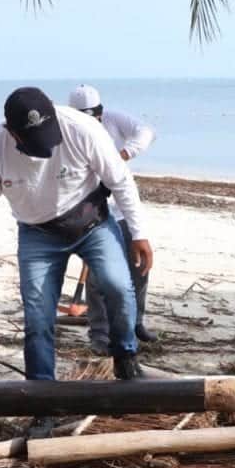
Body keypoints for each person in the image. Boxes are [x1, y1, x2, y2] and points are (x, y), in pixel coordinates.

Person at [0, 87, 153, 435]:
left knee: (117, 285)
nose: (46, 146)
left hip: (92, 220)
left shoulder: (82, 129)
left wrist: (139, 233)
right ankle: (42, 404)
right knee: (37, 317)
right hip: (38, 234)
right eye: (35, 140)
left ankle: (126, 356)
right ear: (13, 133)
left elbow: (121, 181)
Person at [68, 84, 158, 354]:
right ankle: (99, 334)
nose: (91, 121)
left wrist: (123, 154)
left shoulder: (113, 121)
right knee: (97, 276)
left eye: (94, 115)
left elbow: (147, 132)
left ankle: (136, 323)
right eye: (84, 116)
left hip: (124, 210)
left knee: (139, 269)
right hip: (92, 212)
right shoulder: (68, 133)